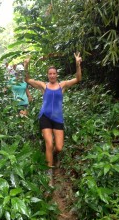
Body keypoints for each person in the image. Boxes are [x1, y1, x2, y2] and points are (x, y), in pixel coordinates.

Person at [24, 52, 82, 186]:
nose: (52, 76)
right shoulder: (43, 86)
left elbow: (78, 79)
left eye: (53, 73)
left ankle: (51, 155)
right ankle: (49, 174)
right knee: (49, 143)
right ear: (47, 75)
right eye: (49, 74)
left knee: (59, 147)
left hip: (58, 118)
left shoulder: (63, 86)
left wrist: (77, 64)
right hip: (45, 117)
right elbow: (28, 80)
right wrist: (26, 66)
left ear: (57, 75)